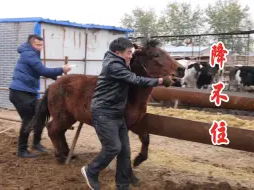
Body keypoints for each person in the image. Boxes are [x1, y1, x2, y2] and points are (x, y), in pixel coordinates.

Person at [81, 37, 173, 190]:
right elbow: (134, 79)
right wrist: (160, 81)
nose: (131, 55)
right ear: (118, 52)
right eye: (129, 53)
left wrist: (132, 57)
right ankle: (91, 171)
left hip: (117, 113)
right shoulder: (113, 65)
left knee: (125, 152)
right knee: (113, 148)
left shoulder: (121, 62)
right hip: (104, 112)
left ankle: (123, 186)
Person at [9, 34, 71, 158]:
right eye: (38, 45)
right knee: (29, 120)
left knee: (40, 116)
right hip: (20, 92)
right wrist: (61, 70)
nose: (40, 47)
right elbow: (43, 70)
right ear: (31, 44)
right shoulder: (29, 54)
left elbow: (37, 71)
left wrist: (56, 76)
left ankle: (36, 143)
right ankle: (22, 150)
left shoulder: (32, 53)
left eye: (42, 45)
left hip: (29, 91)